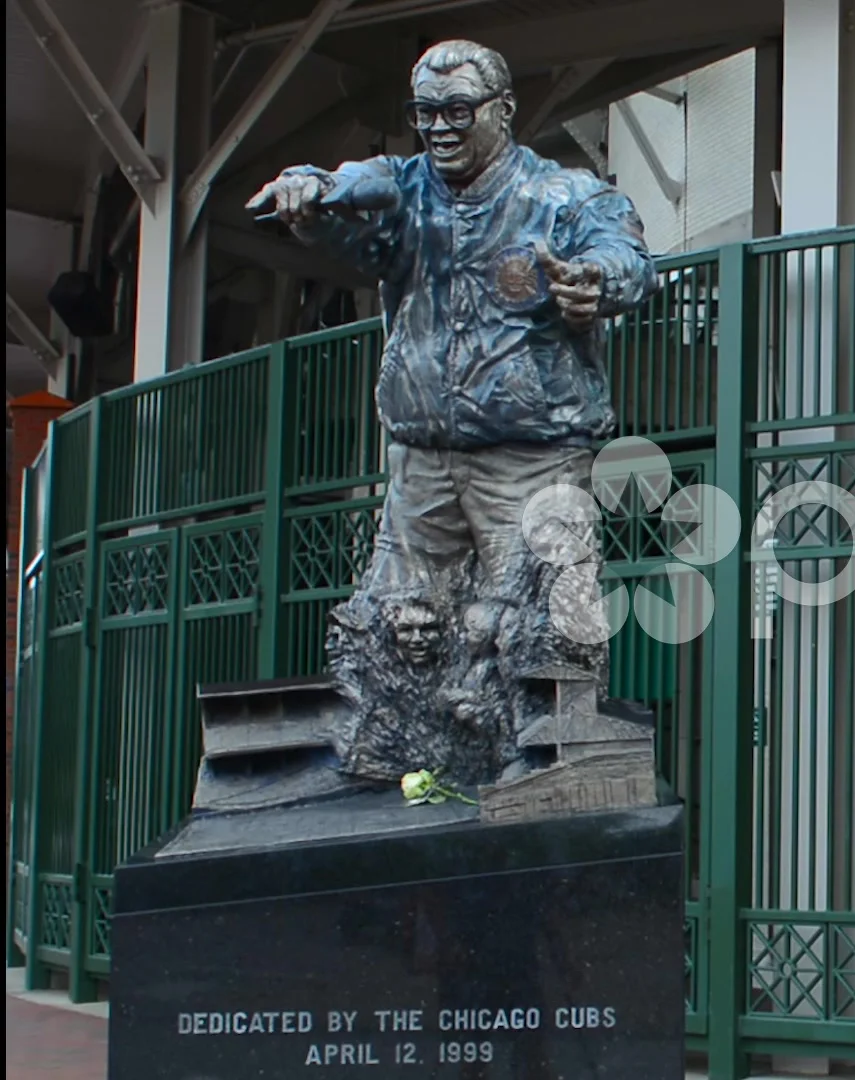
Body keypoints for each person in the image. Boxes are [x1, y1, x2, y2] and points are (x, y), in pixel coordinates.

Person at [248, 39, 659, 782]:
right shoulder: (404, 191)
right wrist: (309, 197)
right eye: (426, 112)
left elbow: (626, 256)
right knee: (397, 619)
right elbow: (350, 210)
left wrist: (598, 280)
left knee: (538, 623)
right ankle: (391, 763)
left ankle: (547, 766)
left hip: (533, 456)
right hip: (423, 458)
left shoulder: (563, 196)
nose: (439, 127)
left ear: (503, 111)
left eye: (457, 110)